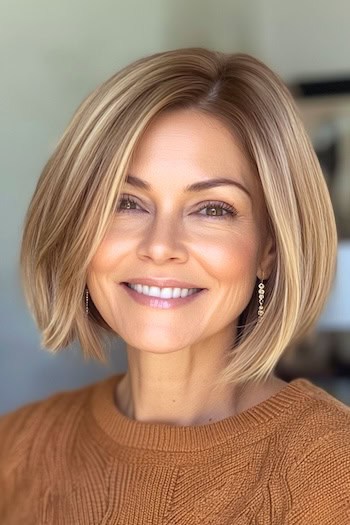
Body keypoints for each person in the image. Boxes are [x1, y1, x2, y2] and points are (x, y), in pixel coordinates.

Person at [1, 47, 349, 524]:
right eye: (126, 202)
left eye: (212, 209)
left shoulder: (332, 470)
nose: (160, 245)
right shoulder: (15, 448)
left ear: (269, 249)